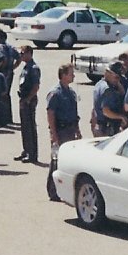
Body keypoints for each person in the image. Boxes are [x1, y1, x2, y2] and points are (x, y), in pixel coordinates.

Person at [46, 63, 81, 202]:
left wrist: (77, 130)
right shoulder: (55, 93)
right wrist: (54, 135)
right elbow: (50, 114)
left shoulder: (71, 92)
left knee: (68, 162)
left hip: (71, 129)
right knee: (57, 161)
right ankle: (53, 191)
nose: (73, 75)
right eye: (71, 73)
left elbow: (74, 112)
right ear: (64, 75)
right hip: (60, 130)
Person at [15, 44, 41, 161]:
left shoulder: (33, 68)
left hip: (29, 100)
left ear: (29, 54)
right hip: (23, 99)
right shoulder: (25, 67)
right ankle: (26, 150)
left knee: (30, 127)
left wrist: (29, 99)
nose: (21, 55)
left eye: (23, 53)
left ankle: (32, 154)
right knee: (24, 127)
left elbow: (36, 86)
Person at [92, 61, 128, 136]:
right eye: (116, 77)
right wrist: (121, 117)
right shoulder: (107, 89)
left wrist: (117, 83)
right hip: (106, 128)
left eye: (119, 78)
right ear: (107, 73)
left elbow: (122, 93)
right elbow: (106, 111)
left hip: (100, 125)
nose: (118, 80)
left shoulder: (99, 84)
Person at [0, 28, 18, 127]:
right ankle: (8, 118)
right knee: (6, 95)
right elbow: (19, 58)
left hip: (3, 73)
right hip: (9, 73)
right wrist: (13, 68)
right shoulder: (10, 47)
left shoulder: (1, 47)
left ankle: (2, 120)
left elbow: (4, 60)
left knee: (1, 95)